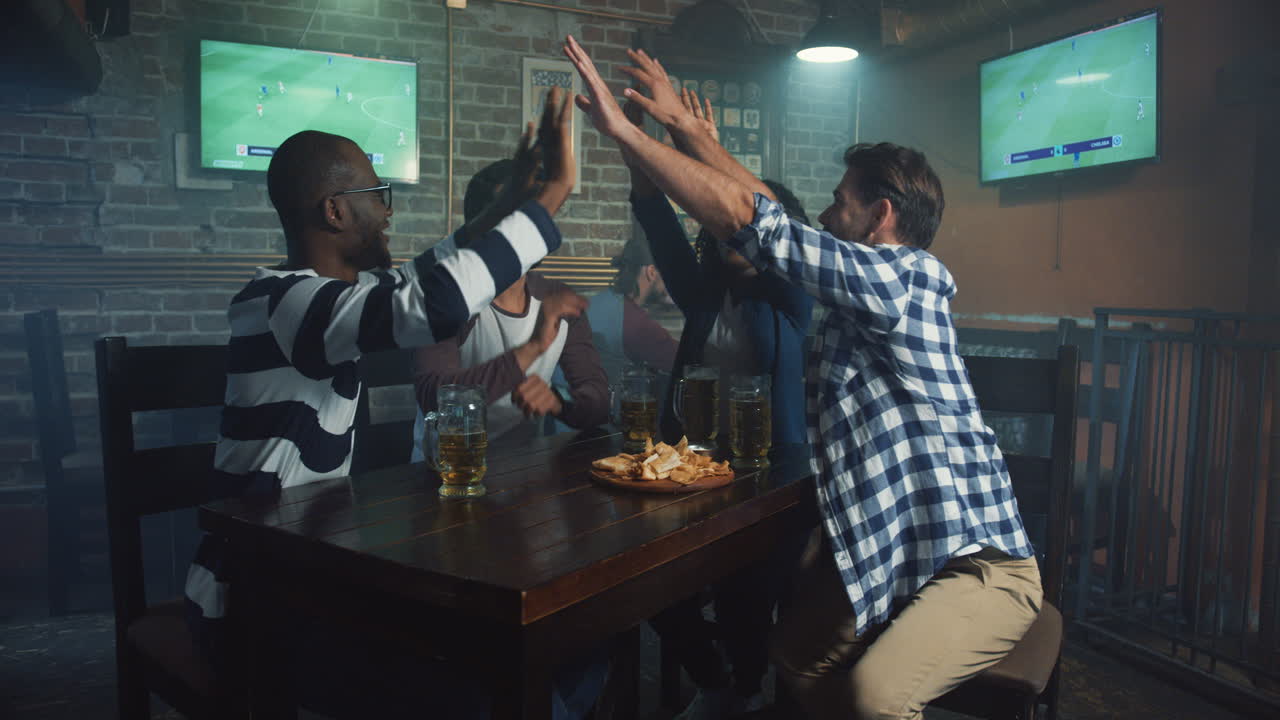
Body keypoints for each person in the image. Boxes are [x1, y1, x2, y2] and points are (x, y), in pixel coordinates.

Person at [565, 36, 1042, 720]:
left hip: (974, 563)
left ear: (881, 216)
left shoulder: (906, 280)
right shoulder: (856, 297)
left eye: (839, 203)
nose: (822, 215)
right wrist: (690, 133)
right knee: (793, 656)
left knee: (873, 697)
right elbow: (774, 219)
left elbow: (763, 225)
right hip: (890, 553)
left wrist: (627, 133)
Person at [186, 88, 603, 719]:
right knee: (487, 690)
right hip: (254, 593)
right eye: (377, 195)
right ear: (334, 211)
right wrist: (552, 196)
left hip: (312, 571)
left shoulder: (333, 297)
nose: (387, 212)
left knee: (547, 651)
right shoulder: (285, 302)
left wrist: (509, 202)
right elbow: (433, 303)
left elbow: (430, 273)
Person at [621, 81, 814, 720]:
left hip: (776, 482)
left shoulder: (793, 299)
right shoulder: (706, 294)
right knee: (642, 576)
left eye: (744, 227)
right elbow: (659, 223)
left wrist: (699, 143)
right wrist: (638, 149)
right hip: (698, 471)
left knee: (744, 585)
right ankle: (717, 681)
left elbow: (767, 223)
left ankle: (745, 690)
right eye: (724, 225)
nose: (735, 236)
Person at [410, 159, 609, 456]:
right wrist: (531, 349)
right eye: (514, 216)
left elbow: (599, 401)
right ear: (479, 228)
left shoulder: (556, 297)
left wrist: (559, 402)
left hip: (524, 469)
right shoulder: (447, 296)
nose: (532, 227)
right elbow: (435, 396)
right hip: (448, 469)